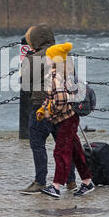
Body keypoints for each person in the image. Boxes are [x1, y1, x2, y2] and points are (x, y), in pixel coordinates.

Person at [20, 24, 77, 195]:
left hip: (41, 108)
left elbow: (25, 86)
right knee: (64, 144)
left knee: (38, 144)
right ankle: (71, 180)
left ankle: (40, 181)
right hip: (63, 107)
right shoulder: (64, 56)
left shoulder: (32, 59)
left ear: (35, 40)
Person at [37, 42, 94, 198]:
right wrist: (43, 108)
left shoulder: (56, 76)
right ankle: (87, 182)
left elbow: (60, 100)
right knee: (75, 151)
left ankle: (56, 186)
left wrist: (48, 112)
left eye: (48, 56)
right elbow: (51, 97)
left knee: (61, 152)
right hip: (71, 117)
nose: (46, 58)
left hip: (67, 119)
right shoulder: (61, 73)